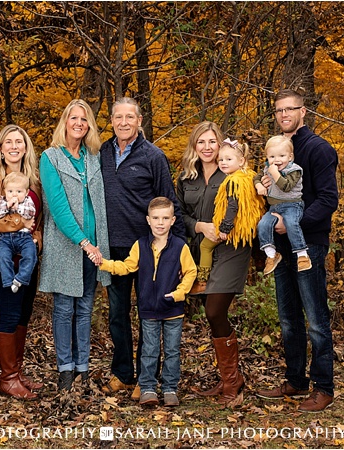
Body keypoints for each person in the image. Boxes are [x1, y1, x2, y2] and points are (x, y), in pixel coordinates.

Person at [255, 89, 339, 413]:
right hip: (279, 246)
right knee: (288, 317)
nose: (284, 114)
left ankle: (324, 387)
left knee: (316, 317)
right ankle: (295, 379)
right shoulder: (275, 150)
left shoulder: (318, 149)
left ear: (303, 111)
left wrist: (294, 225)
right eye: (279, 110)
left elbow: (328, 200)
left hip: (310, 245)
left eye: (290, 109)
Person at [99, 97, 184, 399]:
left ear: (139, 121)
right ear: (111, 121)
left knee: (150, 313)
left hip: (150, 248)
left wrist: (177, 246)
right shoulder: (103, 153)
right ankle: (123, 372)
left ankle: (146, 378)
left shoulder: (153, 156)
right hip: (114, 246)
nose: (123, 123)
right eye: (118, 117)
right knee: (117, 313)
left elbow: (169, 200)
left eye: (129, 117)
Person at [90, 197, 196, 408]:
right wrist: (104, 264)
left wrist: (180, 293)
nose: (160, 223)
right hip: (149, 310)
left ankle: (169, 388)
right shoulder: (140, 245)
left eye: (165, 218)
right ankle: (147, 387)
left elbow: (191, 272)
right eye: (156, 218)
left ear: (173, 220)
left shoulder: (180, 247)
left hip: (173, 309)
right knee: (149, 349)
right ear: (148, 220)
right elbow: (126, 267)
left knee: (173, 350)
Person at [176, 121, 250, 408]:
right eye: (201, 142)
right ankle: (229, 378)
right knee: (212, 314)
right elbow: (179, 215)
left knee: (214, 309)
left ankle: (232, 380)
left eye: (212, 142)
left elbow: (251, 199)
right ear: (194, 145)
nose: (207, 147)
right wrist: (198, 226)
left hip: (231, 248)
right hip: (201, 249)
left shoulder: (233, 171)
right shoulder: (186, 179)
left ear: (222, 145)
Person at [39, 99, 111, 391]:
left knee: (85, 310)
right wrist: (83, 242)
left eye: (85, 119)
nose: (79, 123)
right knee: (64, 309)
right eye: (74, 118)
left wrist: (95, 244)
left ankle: (83, 368)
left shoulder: (94, 157)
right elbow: (57, 207)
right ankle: (65, 370)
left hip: (96, 245)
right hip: (66, 245)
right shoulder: (50, 157)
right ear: (65, 122)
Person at [0, 124, 43, 399]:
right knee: (10, 313)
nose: (14, 146)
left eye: (19, 142)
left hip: (28, 254)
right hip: (0, 252)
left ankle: (18, 371)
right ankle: (7, 378)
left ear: (25, 147)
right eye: (8, 142)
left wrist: (36, 233)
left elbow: (38, 217)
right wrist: (19, 223)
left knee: (24, 314)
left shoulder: (32, 178)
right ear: (0, 149)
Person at [192, 139, 263, 293]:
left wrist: (225, 227)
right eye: (221, 159)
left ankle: (202, 280)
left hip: (233, 228)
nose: (223, 163)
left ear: (241, 160)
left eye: (229, 159)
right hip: (246, 226)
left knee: (205, 246)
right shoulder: (248, 176)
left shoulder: (233, 181)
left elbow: (232, 206)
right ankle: (261, 258)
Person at [255, 135, 310, 275]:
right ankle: (271, 255)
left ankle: (302, 255)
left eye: (281, 156)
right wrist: (259, 184)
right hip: (274, 208)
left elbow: (286, 186)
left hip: (292, 205)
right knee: (262, 225)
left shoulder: (295, 170)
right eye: (272, 156)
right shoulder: (268, 168)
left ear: (290, 157)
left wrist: (274, 173)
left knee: (292, 223)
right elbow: (256, 176)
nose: (276, 160)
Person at [0, 172, 38, 293]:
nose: (14, 195)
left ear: (26, 192)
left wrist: (17, 207)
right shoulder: (3, 202)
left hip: (24, 236)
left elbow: (30, 213)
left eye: (19, 191)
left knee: (30, 255)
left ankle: (20, 279)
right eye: (10, 191)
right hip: (6, 237)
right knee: (2, 257)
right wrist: (8, 205)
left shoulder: (28, 201)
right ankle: (8, 280)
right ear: (5, 192)